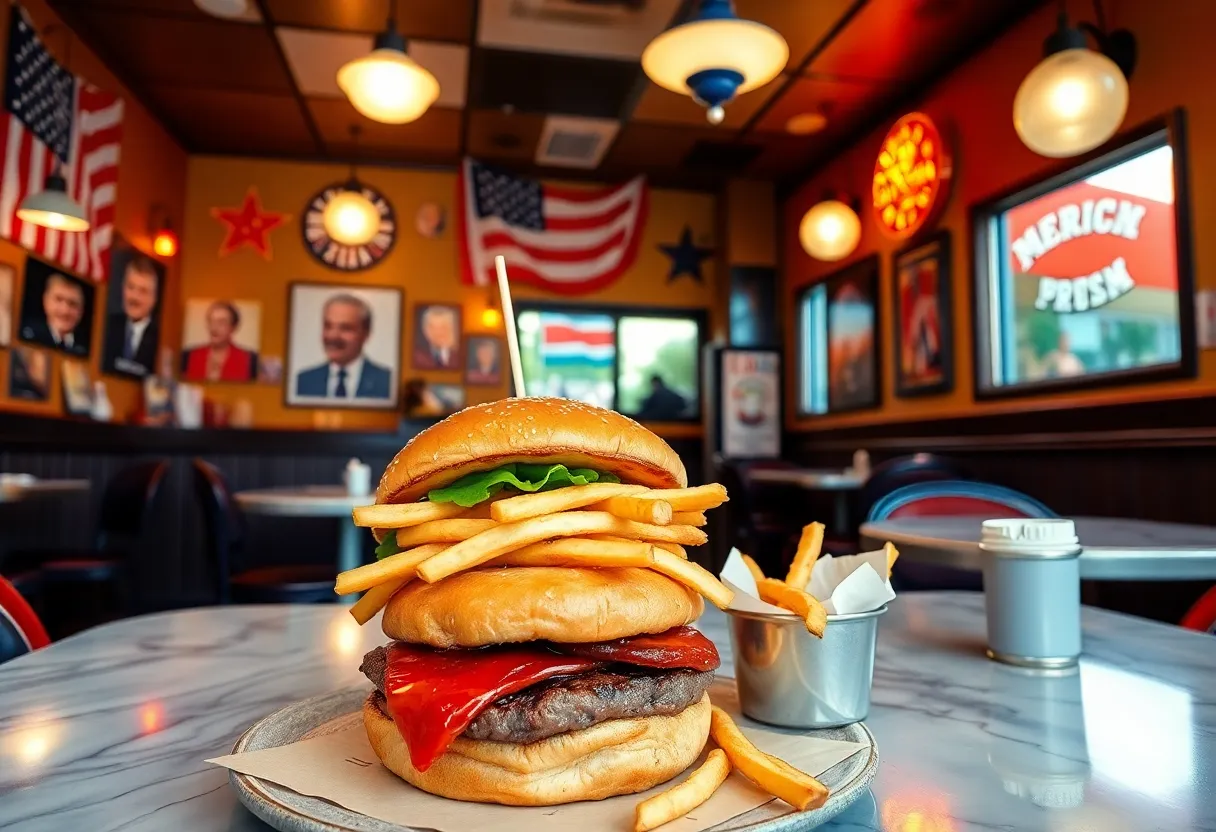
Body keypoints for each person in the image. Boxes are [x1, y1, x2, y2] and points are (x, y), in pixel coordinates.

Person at [295, 293, 391, 399]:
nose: (333, 336)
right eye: (328, 326)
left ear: (365, 334)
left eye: (345, 328)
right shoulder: (304, 381)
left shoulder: (387, 382)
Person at [102, 254, 160, 376]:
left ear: (154, 299)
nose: (134, 297)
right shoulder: (107, 326)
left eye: (143, 291)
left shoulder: (159, 339)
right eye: (130, 287)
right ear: (123, 288)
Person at [182, 301, 258, 382]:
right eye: (211, 322)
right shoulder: (189, 356)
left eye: (221, 322)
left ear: (233, 327)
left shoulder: (249, 359)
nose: (214, 328)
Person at [23, 273, 87, 356]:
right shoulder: (29, 336)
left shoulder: (85, 349)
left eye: (72, 304)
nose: (65, 311)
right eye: (58, 300)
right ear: (46, 301)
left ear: (81, 311)